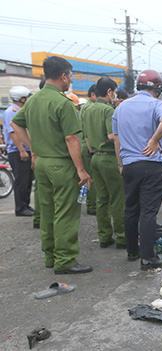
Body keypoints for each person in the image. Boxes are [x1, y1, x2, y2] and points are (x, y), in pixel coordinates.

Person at [11, 56, 92, 274]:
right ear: (64, 76)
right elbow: (71, 139)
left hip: (41, 163)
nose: (70, 80)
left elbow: (15, 125)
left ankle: (50, 256)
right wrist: (81, 169)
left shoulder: (33, 101)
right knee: (66, 212)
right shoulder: (62, 102)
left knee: (46, 210)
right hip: (61, 164)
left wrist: (33, 148)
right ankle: (65, 260)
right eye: (70, 76)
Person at [112, 69, 162, 270]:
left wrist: (121, 162)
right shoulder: (157, 104)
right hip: (150, 165)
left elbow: (117, 138)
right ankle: (148, 257)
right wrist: (154, 140)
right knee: (148, 212)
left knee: (130, 209)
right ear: (158, 87)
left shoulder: (120, 108)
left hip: (129, 165)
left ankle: (132, 251)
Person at [81, 77, 126, 249]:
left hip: (95, 157)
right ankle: (122, 237)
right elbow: (112, 136)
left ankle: (104, 236)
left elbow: (85, 134)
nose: (114, 96)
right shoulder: (108, 110)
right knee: (117, 198)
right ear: (109, 91)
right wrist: (120, 162)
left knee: (102, 198)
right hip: (108, 157)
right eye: (114, 92)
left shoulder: (86, 108)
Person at [3, 86, 34, 217]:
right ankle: (20, 207)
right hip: (17, 151)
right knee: (21, 180)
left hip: (25, 149)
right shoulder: (11, 111)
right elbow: (13, 133)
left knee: (27, 180)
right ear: (21, 98)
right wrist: (22, 150)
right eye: (26, 97)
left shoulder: (20, 110)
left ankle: (26, 205)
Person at [79, 85, 97, 215]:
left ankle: (89, 203)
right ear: (92, 95)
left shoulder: (84, 107)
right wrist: (92, 148)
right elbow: (89, 130)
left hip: (82, 144)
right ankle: (92, 205)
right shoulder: (91, 107)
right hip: (88, 145)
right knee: (92, 177)